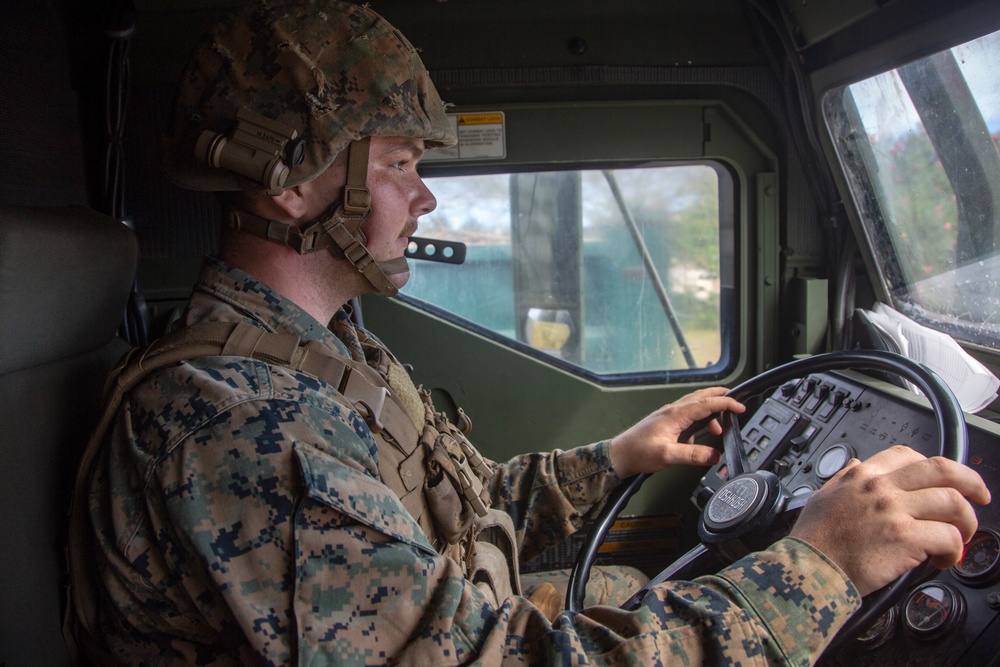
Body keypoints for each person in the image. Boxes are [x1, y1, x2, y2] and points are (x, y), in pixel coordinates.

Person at [66, 1, 990, 665]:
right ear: (291, 181)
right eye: (397, 161)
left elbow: (454, 509)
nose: (423, 194)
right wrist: (814, 569)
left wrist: (617, 458)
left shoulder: (324, 352)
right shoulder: (233, 425)